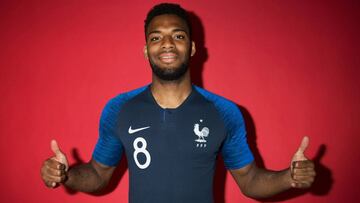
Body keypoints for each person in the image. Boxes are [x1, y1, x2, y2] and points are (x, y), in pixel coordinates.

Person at [41, 3, 315, 203]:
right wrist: (68, 175)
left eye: (178, 35)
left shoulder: (224, 112)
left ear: (192, 48)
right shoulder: (119, 109)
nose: (167, 44)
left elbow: (250, 180)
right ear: (146, 50)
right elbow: (99, 174)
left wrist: (288, 177)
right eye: (156, 37)